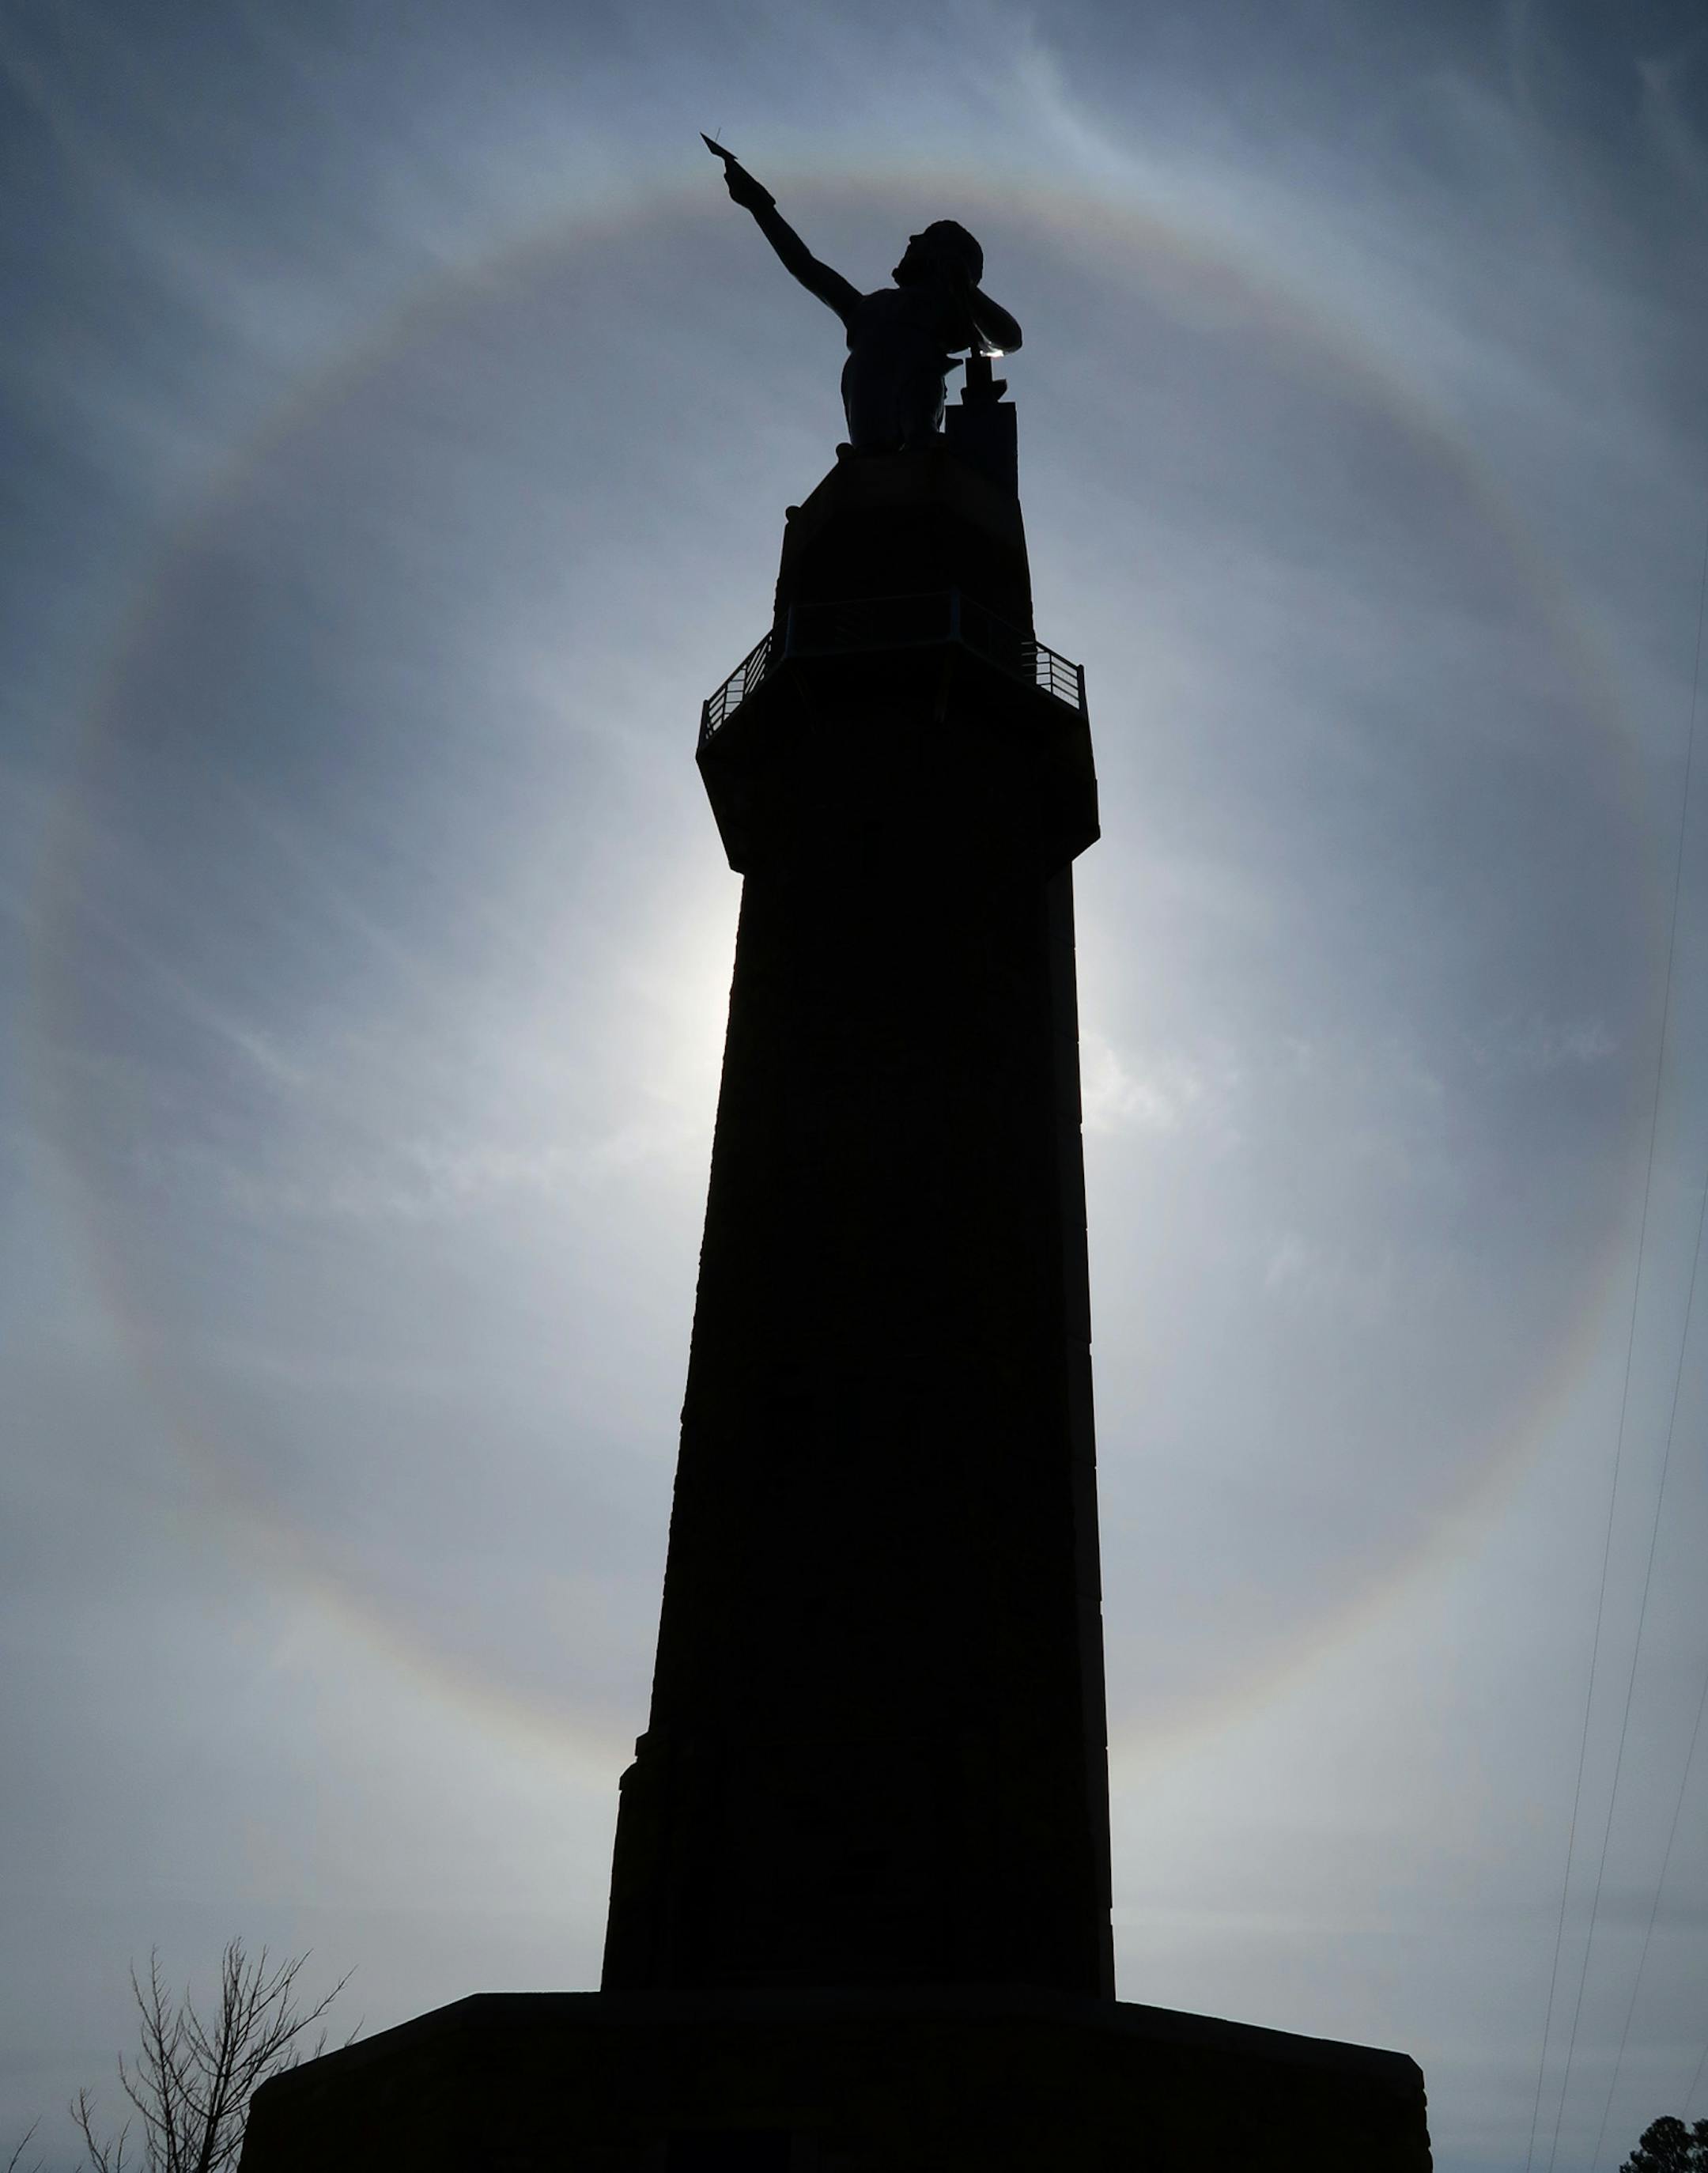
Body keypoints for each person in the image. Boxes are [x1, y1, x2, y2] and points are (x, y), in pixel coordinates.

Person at [716, 155, 1022, 454]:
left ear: (942, 258)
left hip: (917, 420)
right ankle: (871, 460)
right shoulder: (872, 308)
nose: (913, 239)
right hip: (868, 420)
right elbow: (805, 267)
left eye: (927, 238)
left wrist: (965, 290)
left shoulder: (948, 313)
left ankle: (920, 444)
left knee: (919, 385)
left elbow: (1008, 339)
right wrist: (760, 207)